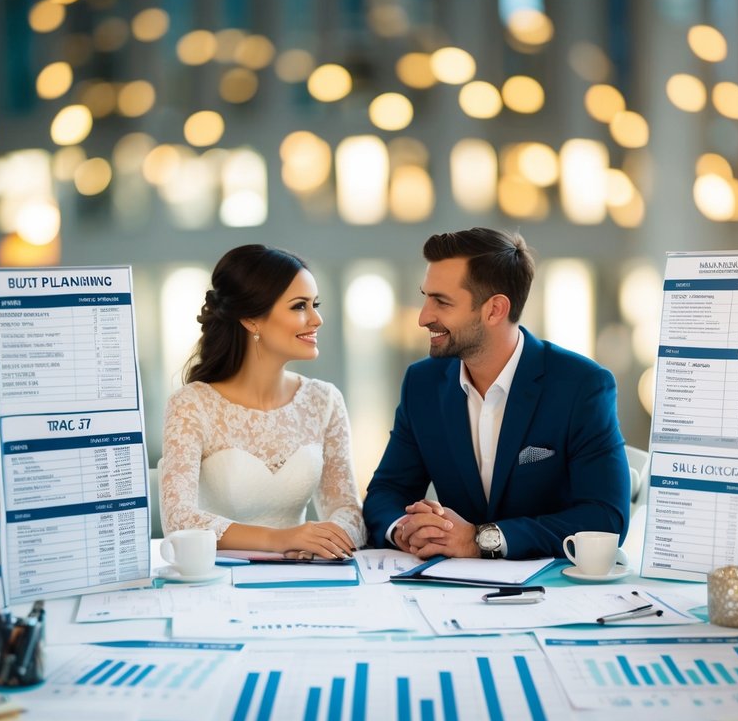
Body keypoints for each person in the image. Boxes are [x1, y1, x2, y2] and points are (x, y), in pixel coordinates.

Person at [364, 227, 630, 560]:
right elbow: (386, 492)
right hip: (448, 589)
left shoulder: (581, 386)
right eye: (426, 296)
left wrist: (481, 539)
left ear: (494, 310)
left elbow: (606, 519)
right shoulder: (422, 384)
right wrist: (406, 530)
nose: (423, 316)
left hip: (551, 594)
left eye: (441, 302)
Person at [161, 244, 365, 559]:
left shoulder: (324, 401)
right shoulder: (192, 405)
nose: (317, 319)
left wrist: (320, 543)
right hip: (219, 583)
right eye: (300, 306)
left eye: (315, 304)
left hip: (305, 576)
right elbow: (179, 518)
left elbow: (348, 510)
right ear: (251, 319)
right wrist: (282, 539)